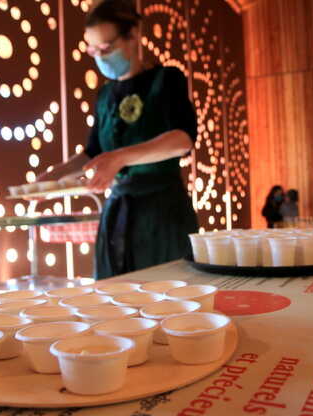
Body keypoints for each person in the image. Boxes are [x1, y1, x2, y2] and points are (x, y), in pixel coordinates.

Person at [38, 0, 198, 279]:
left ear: (134, 34)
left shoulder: (166, 79)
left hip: (162, 211)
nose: (100, 56)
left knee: (167, 300)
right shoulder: (104, 95)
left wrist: (120, 157)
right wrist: (54, 177)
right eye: (93, 50)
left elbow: (182, 140)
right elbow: (93, 152)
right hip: (118, 214)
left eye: (107, 48)